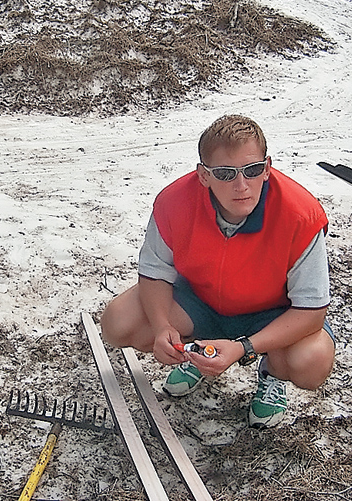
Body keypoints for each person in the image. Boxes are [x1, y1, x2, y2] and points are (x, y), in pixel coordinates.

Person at [101, 114, 335, 428]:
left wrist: (244, 347)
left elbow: (311, 311)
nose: (241, 186)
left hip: (271, 314)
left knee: (311, 362)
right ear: (203, 176)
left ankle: (273, 374)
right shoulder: (174, 203)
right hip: (201, 302)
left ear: (267, 169)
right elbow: (155, 271)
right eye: (225, 174)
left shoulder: (301, 216)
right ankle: (201, 353)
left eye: (252, 171)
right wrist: (160, 328)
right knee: (118, 322)